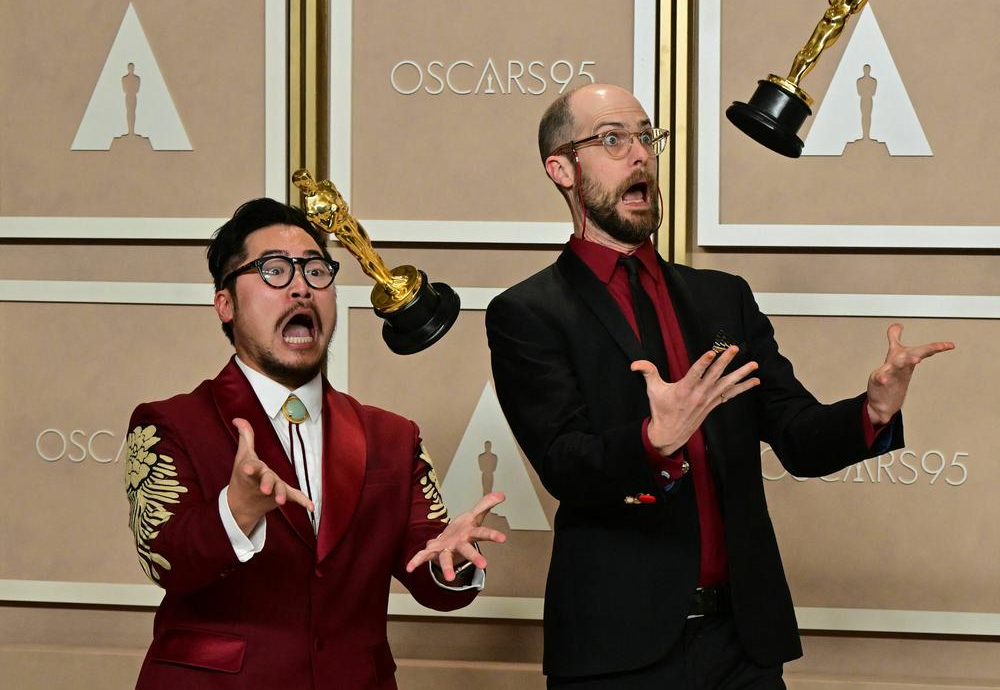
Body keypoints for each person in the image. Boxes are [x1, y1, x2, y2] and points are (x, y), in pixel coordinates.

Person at [485, 83, 953, 688]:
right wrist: (655, 440)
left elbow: (796, 434)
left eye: (646, 138)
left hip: (742, 646)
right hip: (615, 651)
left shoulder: (721, 296)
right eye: (611, 140)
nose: (640, 156)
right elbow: (565, 463)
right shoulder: (527, 312)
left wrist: (873, 412)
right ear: (562, 169)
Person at [124, 198, 505, 689]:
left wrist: (449, 561)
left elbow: (431, 573)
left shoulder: (393, 437)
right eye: (274, 271)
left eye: (316, 271)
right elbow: (164, 559)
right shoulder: (169, 423)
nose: (301, 286)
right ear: (225, 303)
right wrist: (236, 511)